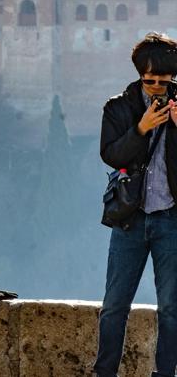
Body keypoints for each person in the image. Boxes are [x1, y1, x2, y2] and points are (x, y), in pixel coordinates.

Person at [94, 32, 177, 377]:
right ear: (139, 74)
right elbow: (110, 155)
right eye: (149, 79)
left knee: (171, 307)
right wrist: (140, 129)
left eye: (164, 80)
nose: (156, 86)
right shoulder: (119, 107)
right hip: (130, 218)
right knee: (114, 305)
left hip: (170, 219)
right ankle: (105, 372)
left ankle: (165, 373)